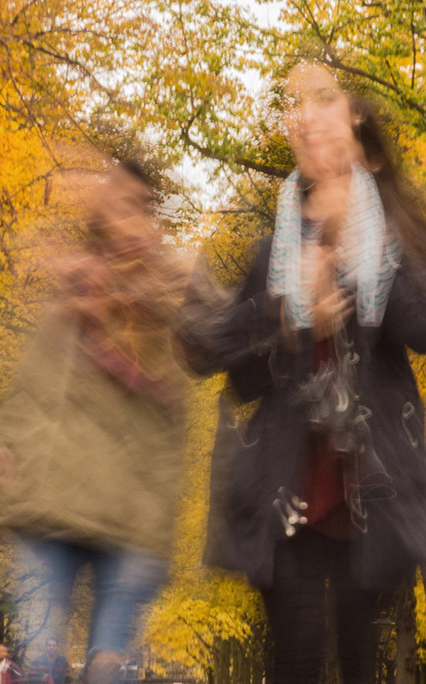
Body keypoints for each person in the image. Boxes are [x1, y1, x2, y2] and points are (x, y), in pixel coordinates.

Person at [180, 61, 426, 683]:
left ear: (358, 136)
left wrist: (358, 253)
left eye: (326, 103)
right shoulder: (275, 249)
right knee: (296, 652)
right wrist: (293, 319)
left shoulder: (390, 239)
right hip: (284, 490)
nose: (309, 119)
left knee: (358, 654)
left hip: (371, 491)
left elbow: (421, 331)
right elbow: (238, 376)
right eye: (300, 107)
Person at [0, 159, 188, 684]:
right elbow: (27, 395)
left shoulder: (166, 305)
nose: (117, 215)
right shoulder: (67, 301)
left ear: (149, 219)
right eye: (111, 202)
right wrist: (7, 455)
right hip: (46, 509)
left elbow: (173, 428)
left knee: (108, 673)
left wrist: (158, 524)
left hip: (127, 522)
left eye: (131, 206)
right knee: (37, 668)